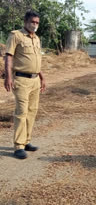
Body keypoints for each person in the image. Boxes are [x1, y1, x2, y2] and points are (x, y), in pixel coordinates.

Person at [4, 11, 46, 159]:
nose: (35, 25)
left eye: (37, 23)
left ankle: (27, 141)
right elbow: (9, 56)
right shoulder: (16, 35)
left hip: (35, 80)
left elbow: (35, 59)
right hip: (21, 80)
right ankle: (18, 146)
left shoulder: (37, 39)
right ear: (25, 22)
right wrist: (8, 76)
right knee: (21, 112)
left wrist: (41, 76)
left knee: (32, 111)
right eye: (32, 22)